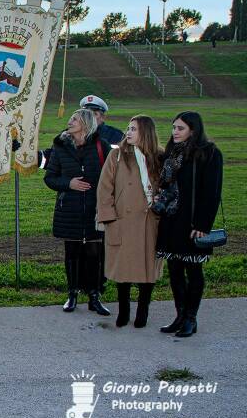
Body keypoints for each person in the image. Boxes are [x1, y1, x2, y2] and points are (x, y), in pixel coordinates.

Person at [154, 111, 223, 338]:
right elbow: (165, 184)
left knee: (193, 269)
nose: (175, 132)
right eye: (173, 127)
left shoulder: (209, 153)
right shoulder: (172, 153)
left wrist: (203, 224)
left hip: (192, 222)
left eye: (180, 128)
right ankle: (179, 315)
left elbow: (211, 193)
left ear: (193, 130)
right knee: (174, 270)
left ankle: (191, 318)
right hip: (172, 220)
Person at [96, 116, 164, 328]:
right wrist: (109, 218)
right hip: (122, 222)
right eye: (128, 128)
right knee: (122, 269)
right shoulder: (117, 155)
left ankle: (143, 310)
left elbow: (168, 186)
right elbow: (104, 188)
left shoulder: (159, 157)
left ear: (146, 132)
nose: (128, 132)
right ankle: (123, 310)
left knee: (147, 270)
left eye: (133, 129)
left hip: (149, 223)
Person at [44, 109, 112, 316]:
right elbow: (50, 178)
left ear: (86, 123)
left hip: (94, 209)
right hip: (70, 210)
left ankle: (94, 296)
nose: (70, 121)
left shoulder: (102, 146)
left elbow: (111, 176)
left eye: (74, 119)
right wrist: (69, 183)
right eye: (71, 118)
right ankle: (72, 294)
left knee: (94, 254)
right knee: (72, 253)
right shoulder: (60, 146)